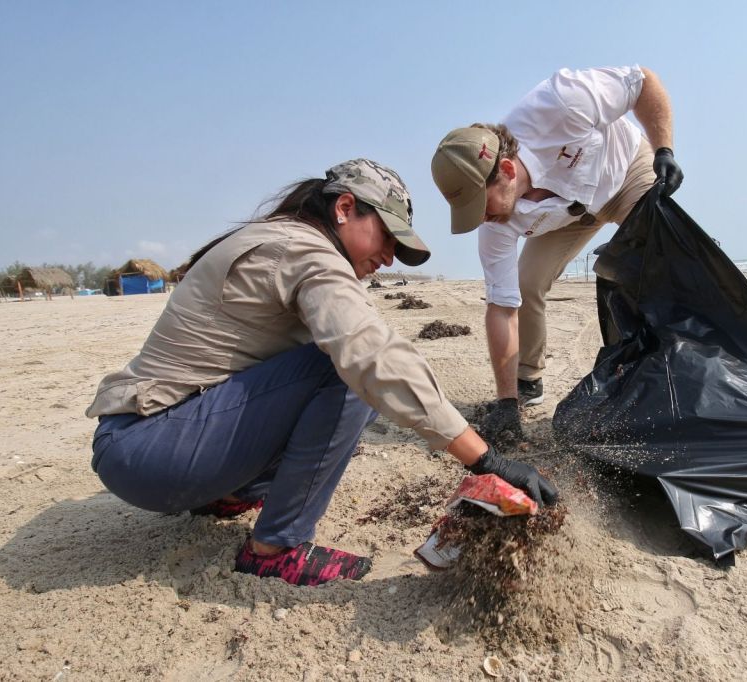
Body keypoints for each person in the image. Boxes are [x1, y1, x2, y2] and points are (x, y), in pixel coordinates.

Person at [86, 159, 558, 587]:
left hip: (151, 444)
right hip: (150, 449)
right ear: (345, 208)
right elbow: (372, 355)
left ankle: (230, 493)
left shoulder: (283, 239)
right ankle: (275, 549)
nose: (389, 257)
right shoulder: (305, 251)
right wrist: (486, 460)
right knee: (344, 373)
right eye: (387, 236)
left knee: (343, 385)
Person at [431, 65, 683, 445]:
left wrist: (664, 149)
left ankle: (675, 367)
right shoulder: (495, 222)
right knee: (525, 283)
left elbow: (643, 82)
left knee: (661, 261)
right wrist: (505, 403)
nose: (481, 218)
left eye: (481, 205)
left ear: (506, 170)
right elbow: (501, 308)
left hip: (622, 174)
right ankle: (528, 380)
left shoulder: (562, 102)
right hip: (567, 216)